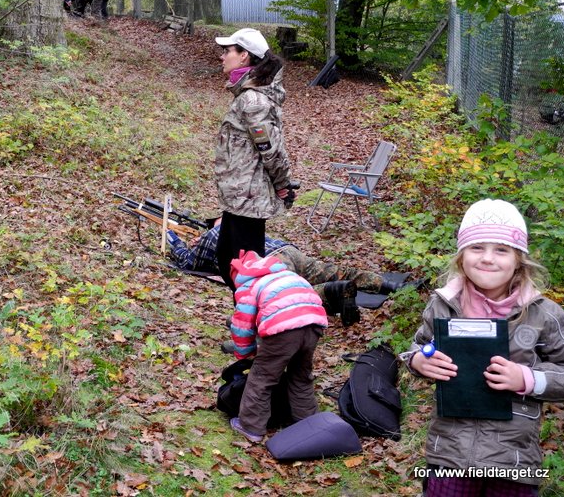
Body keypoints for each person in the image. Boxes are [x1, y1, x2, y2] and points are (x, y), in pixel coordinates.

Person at [400, 199, 564, 497]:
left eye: (501, 250)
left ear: (519, 259)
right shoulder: (443, 304)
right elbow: (420, 347)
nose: (488, 258)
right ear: (461, 257)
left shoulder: (543, 314)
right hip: (449, 453)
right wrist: (418, 361)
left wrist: (527, 378)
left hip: (514, 459)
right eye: (477, 247)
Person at [213, 28, 293, 292]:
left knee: (247, 274)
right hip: (238, 198)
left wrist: (283, 184)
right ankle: (246, 313)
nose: (222, 57)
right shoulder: (246, 95)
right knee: (227, 262)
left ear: (244, 56)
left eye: (227, 51)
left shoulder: (253, 101)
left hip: (249, 199)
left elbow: (270, 149)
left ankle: (261, 316)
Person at [228, 250, 328, 442]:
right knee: (300, 376)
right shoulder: (286, 274)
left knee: (262, 376)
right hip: (314, 322)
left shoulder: (249, 284)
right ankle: (308, 424)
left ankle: (251, 427)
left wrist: (245, 354)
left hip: (284, 328)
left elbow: (242, 326)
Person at [166, 223, 409, 297]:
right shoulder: (244, 224)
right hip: (288, 251)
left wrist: (175, 241)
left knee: (293, 295)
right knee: (333, 269)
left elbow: (188, 263)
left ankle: (333, 291)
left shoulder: (212, 236)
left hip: (271, 265)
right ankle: (386, 284)